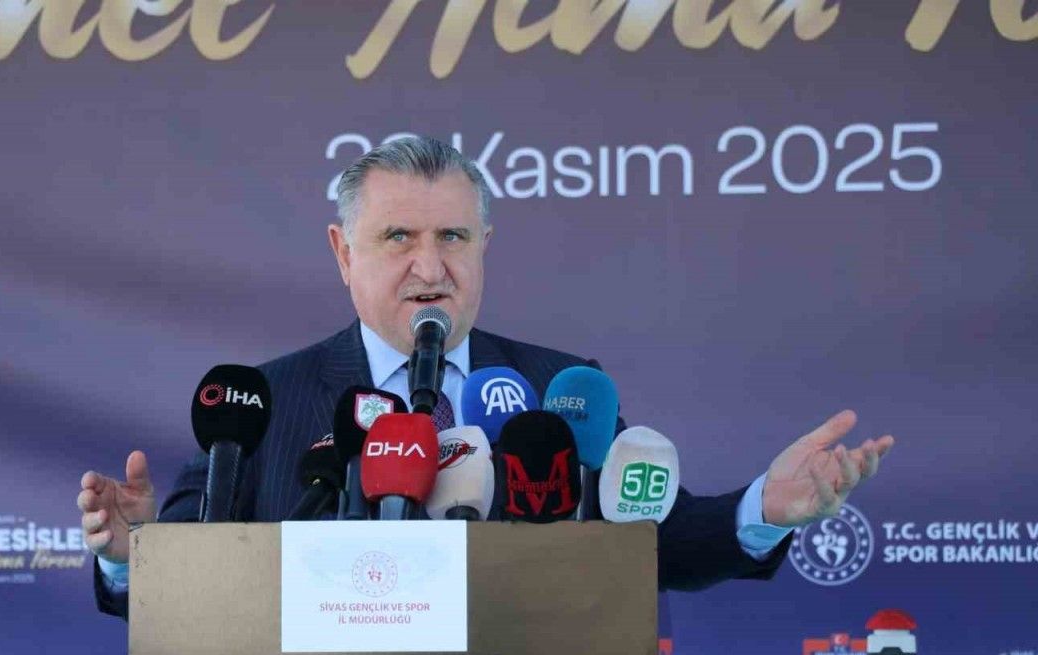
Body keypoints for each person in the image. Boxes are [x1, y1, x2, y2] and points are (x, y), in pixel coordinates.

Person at [76, 136, 895, 619]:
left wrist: (764, 508)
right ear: (342, 252)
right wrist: (132, 555)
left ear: (485, 248)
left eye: (454, 238)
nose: (431, 267)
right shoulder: (266, 399)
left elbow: (657, 543)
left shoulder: (562, 387)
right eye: (398, 237)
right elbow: (182, 585)